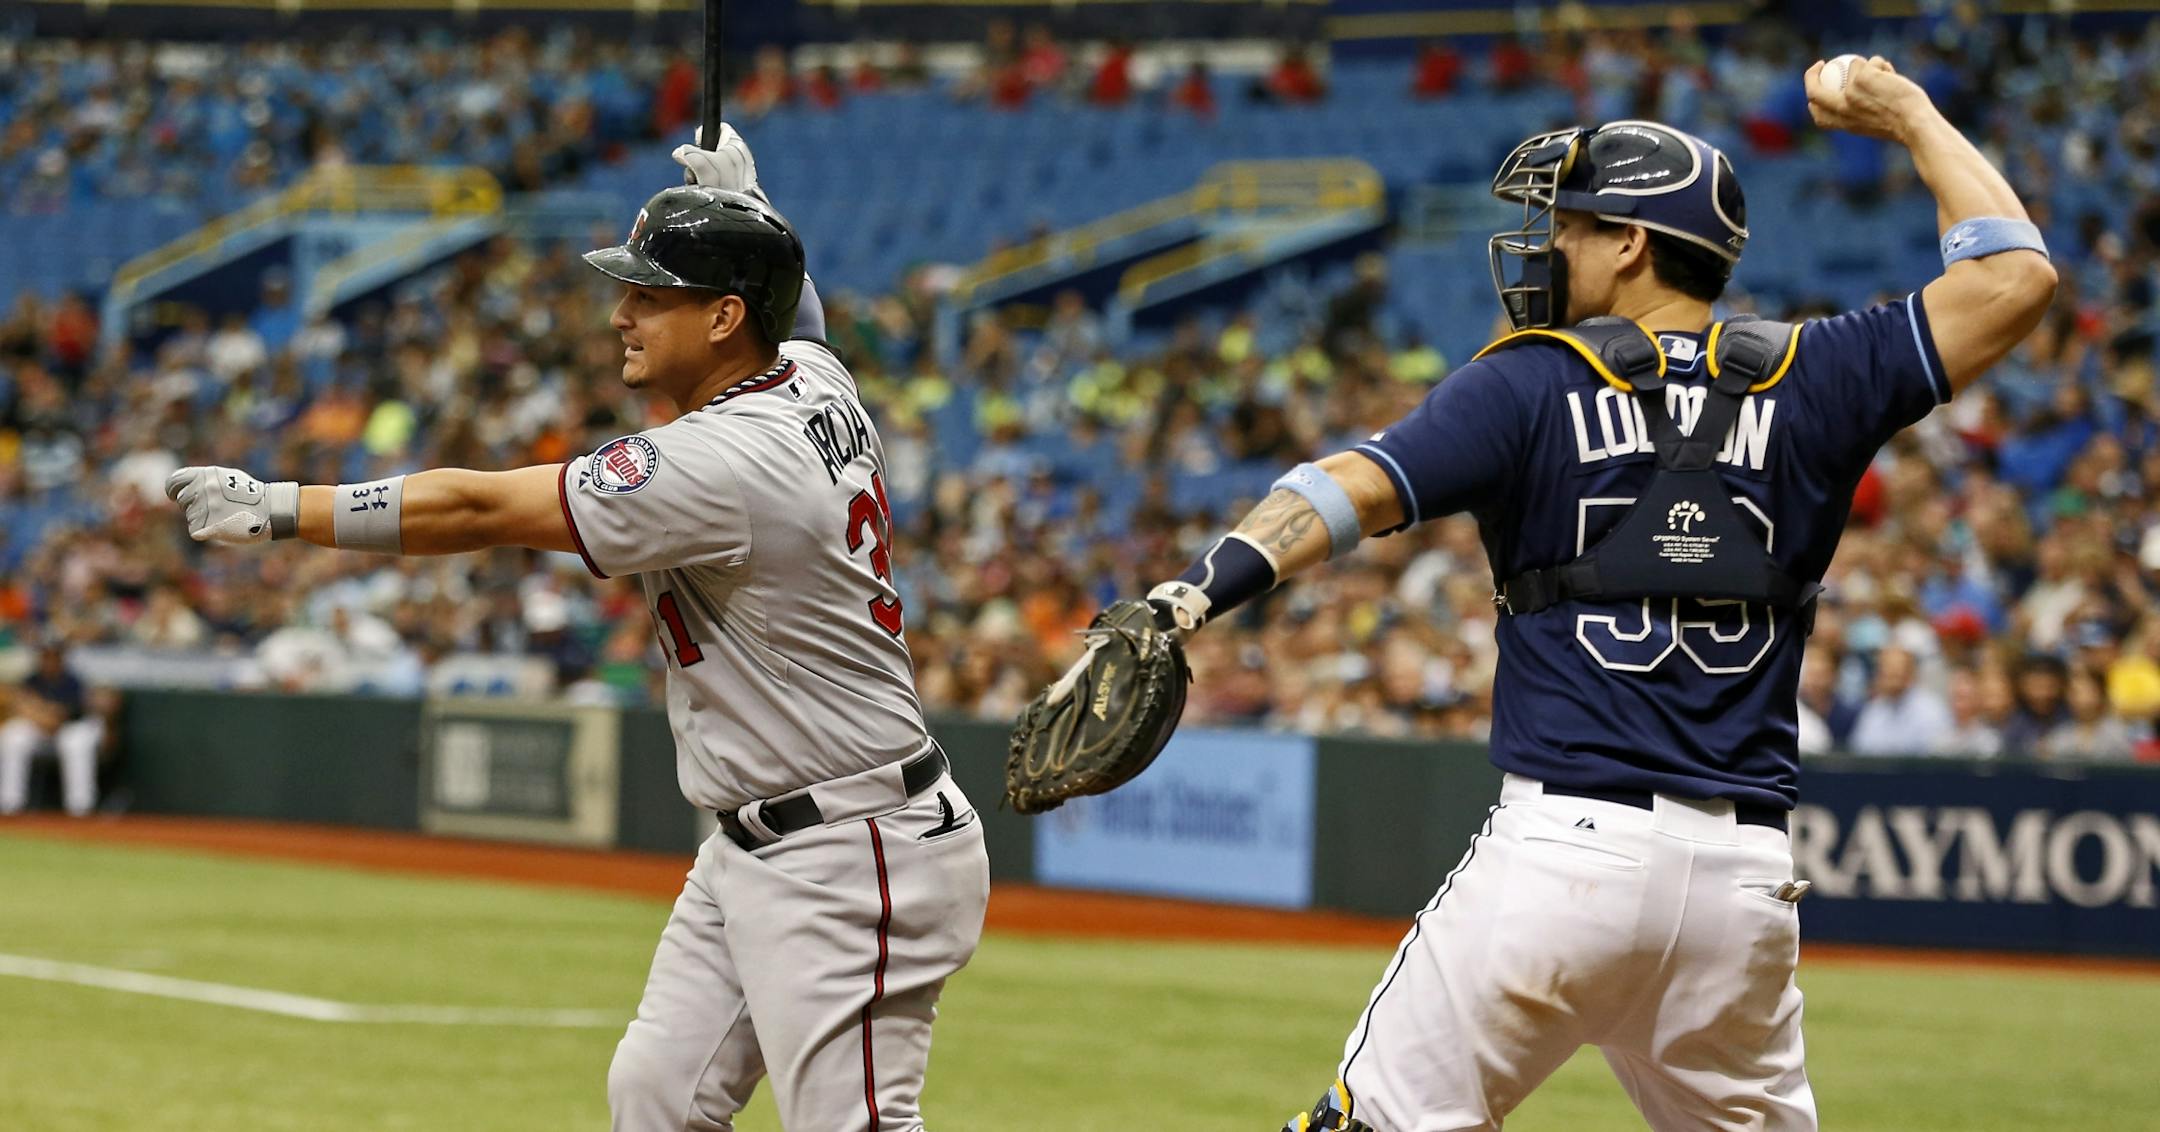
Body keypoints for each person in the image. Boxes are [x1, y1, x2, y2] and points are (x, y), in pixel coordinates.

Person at [1104, 60, 2055, 1132]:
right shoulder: (1816, 373)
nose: (1551, 243)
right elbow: (2015, 277)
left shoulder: (1530, 376)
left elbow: (1351, 486)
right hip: (1744, 883)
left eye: (1573, 224)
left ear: (1632, 243)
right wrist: (1914, 113)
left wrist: (1190, 595)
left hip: (1566, 858)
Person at [164, 127, 988, 1132]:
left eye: (652, 295)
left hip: (850, 848)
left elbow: (478, 510)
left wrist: (284, 508)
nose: (622, 314)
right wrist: (759, 211)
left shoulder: (720, 462)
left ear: (725, 316)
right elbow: (799, 319)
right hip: (768, 838)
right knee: (657, 1095)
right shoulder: (814, 380)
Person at [0, 642, 107, 816]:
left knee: (74, 743)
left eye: (53, 656)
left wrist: (38, 711)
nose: (49, 661)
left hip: (72, 728)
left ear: (61, 658)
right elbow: (18, 707)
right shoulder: (32, 680)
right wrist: (39, 714)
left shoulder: (74, 682)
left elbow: (62, 718)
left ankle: (80, 807)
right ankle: (10, 804)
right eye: (45, 656)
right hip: (40, 730)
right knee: (12, 735)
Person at [1847, 645, 1953, 755]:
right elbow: (1860, 751)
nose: (1889, 678)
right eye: (1884, 672)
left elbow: (1936, 760)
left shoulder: (1931, 710)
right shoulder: (1873, 710)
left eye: (1895, 672)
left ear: (1911, 675)